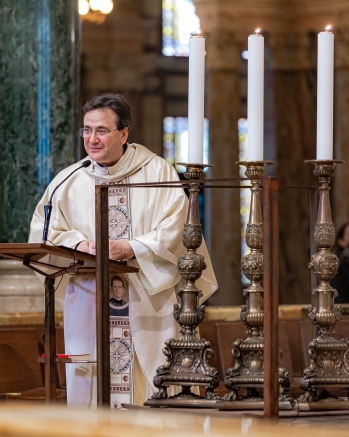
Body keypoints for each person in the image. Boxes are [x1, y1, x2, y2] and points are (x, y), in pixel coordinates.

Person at [29, 93, 217, 408]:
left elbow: (179, 231)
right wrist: (79, 245)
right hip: (91, 303)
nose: (92, 138)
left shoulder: (156, 173)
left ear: (124, 133)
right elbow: (44, 233)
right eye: (86, 130)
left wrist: (129, 247)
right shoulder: (69, 180)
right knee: (92, 393)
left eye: (101, 130)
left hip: (147, 304)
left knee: (150, 387)